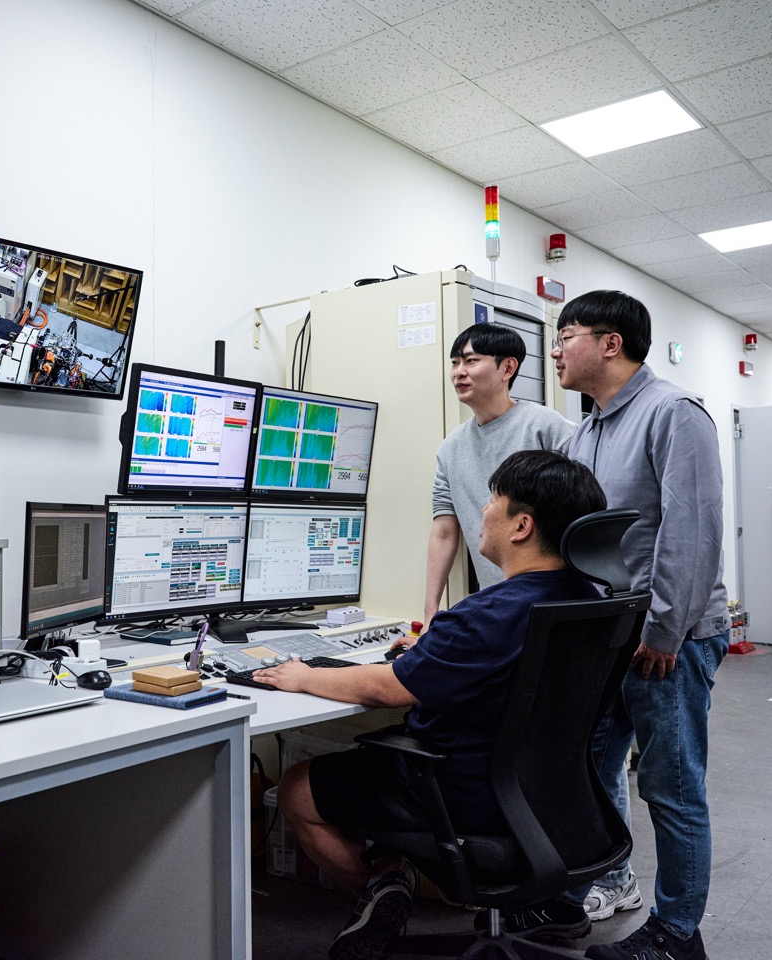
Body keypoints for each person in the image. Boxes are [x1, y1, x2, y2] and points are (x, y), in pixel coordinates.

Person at [254, 450, 607, 960]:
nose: (483, 510)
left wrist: (304, 675)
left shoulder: (486, 615)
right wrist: (435, 651)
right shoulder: (587, 599)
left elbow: (387, 689)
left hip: (460, 793)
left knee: (297, 788)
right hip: (556, 801)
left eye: (494, 500)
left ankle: (383, 880)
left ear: (521, 526)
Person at [549, 290, 730, 960]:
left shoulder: (673, 413)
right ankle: (579, 892)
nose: (555, 351)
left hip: (668, 640)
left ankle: (677, 934)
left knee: (670, 786)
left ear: (610, 343)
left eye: (565, 336)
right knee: (589, 767)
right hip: (611, 637)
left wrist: (663, 630)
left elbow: (692, 530)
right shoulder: (586, 431)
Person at [423, 323, 574, 627]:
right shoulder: (451, 447)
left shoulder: (547, 427)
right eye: (455, 363)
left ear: (507, 368)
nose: (458, 373)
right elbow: (444, 532)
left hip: (558, 605)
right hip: (499, 606)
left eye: (470, 361)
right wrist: (430, 615)